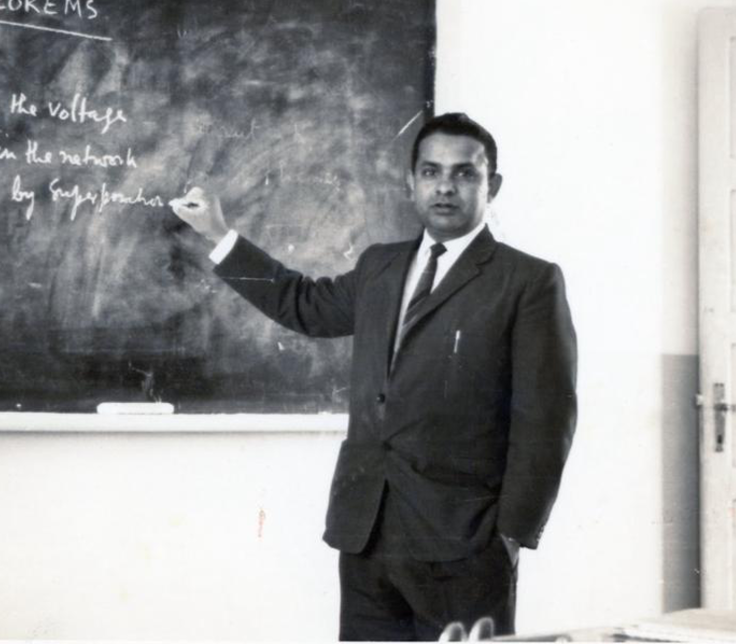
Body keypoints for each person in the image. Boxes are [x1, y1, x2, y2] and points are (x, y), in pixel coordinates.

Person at [170, 112, 577, 641]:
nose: (445, 187)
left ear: (491, 185)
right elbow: (304, 305)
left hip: (465, 541)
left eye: (464, 174)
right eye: (431, 172)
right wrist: (219, 235)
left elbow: (546, 418)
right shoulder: (380, 266)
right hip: (366, 530)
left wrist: (513, 533)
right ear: (411, 183)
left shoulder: (527, 280)